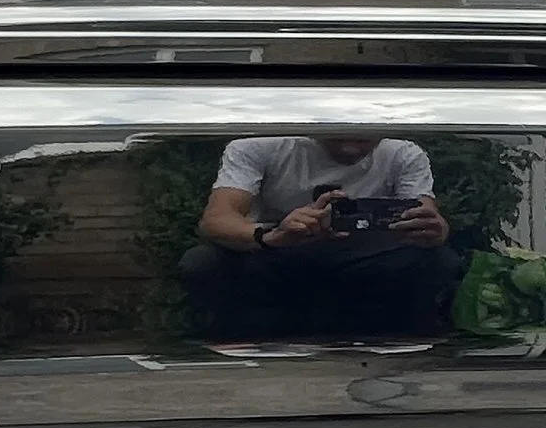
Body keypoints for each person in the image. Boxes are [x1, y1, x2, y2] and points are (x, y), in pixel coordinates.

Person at [179, 136, 460, 337]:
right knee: (203, 261)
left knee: (439, 259)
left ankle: (403, 334)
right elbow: (216, 219)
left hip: (366, 260)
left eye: (364, 139)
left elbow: (427, 219)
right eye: (337, 137)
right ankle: (239, 333)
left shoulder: (403, 153)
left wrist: (436, 231)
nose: (350, 147)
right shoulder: (260, 144)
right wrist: (272, 235)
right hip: (278, 255)